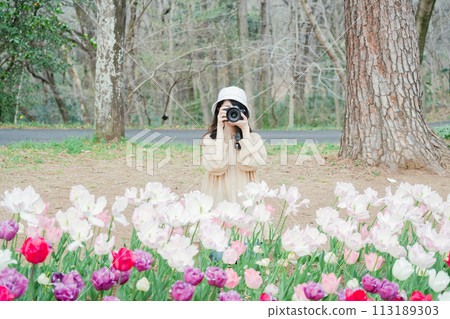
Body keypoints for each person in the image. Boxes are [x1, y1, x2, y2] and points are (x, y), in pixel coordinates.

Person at [201, 86, 267, 208]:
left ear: (244, 113)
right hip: (218, 197)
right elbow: (217, 166)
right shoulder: (210, 140)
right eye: (227, 109)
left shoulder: (254, 139)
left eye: (236, 109)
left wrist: (245, 131)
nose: (231, 113)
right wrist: (220, 130)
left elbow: (251, 164)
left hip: (245, 199)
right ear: (218, 110)